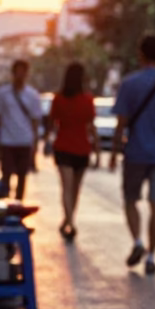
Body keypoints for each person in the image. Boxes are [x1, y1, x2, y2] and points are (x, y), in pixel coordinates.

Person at [110, 34, 155, 276]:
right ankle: (152, 256)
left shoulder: (129, 84)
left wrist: (114, 152)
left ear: (140, 54)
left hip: (136, 152)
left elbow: (121, 123)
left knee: (130, 200)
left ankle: (137, 242)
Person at [46, 62, 99, 240]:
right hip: (82, 148)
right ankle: (70, 222)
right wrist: (97, 151)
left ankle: (68, 221)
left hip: (63, 146)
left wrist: (45, 141)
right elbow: (91, 127)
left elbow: (51, 123)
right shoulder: (87, 100)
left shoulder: (59, 99)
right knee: (75, 189)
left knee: (67, 188)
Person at [0, 60, 42, 200]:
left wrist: (35, 142)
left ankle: (19, 203)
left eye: (22, 72)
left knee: (22, 176)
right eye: (18, 72)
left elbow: (35, 120)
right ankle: (5, 202)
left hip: (24, 140)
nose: (20, 75)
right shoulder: (3, 93)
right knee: (6, 174)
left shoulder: (32, 95)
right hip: (7, 140)